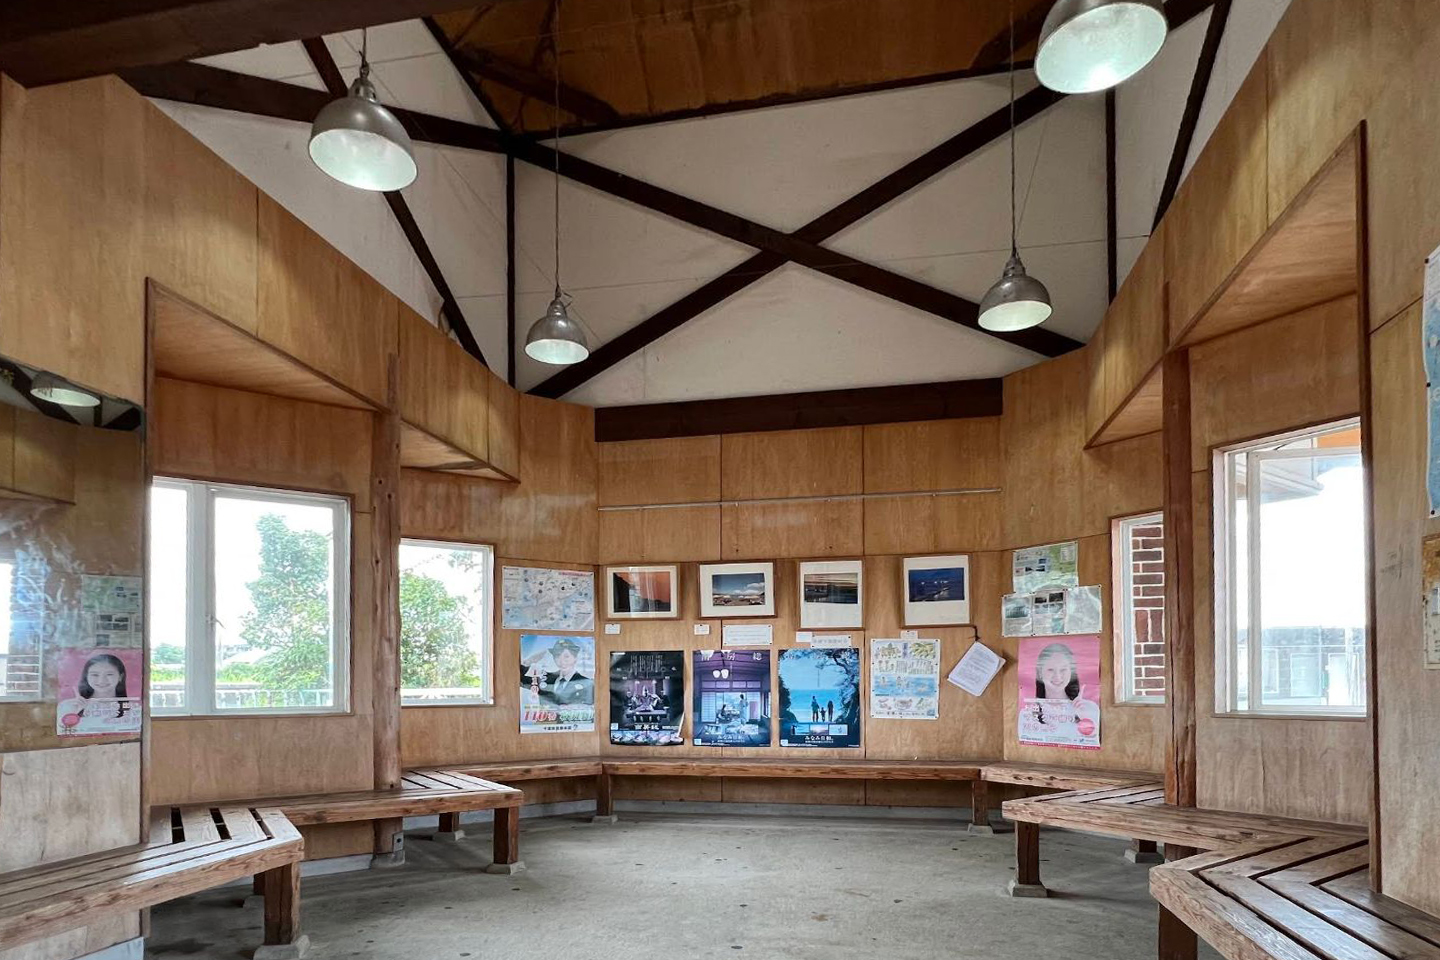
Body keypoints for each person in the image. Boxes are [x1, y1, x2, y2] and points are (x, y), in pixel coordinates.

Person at [1032, 643, 1099, 734]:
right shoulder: (1028, 714)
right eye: (1050, 669)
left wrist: (1085, 719)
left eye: (1063, 670)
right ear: (1040, 673)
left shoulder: (1089, 708)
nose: (1057, 676)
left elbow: (1095, 738)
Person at [520, 639, 593, 706]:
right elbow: (520, 677)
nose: (562, 661)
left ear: (575, 658)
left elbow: (590, 709)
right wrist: (529, 661)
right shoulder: (546, 679)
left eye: (566, 656)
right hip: (546, 716)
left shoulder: (586, 683)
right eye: (557, 656)